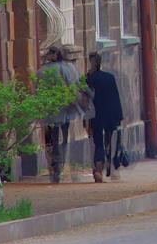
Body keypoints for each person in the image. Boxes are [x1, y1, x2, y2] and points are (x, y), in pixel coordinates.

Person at [41, 45, 83, 183]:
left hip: (49, 111)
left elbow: (37, 91)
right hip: (65, 110)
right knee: (63, 138)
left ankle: (55, 166)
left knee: (51, 139)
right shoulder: (69, 68)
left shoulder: (42, 71)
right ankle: (61, 164)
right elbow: (76, 87)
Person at [84, 51, 124, 183]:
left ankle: (99, 169)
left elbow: (85, 100)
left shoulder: (89, 78)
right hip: (110, 115)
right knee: (108, 140)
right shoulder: (109, 77)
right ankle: (110, 166)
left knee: (98, 142)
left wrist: (85, 120)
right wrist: (119, 116)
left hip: (95, 116)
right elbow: (115, 97)